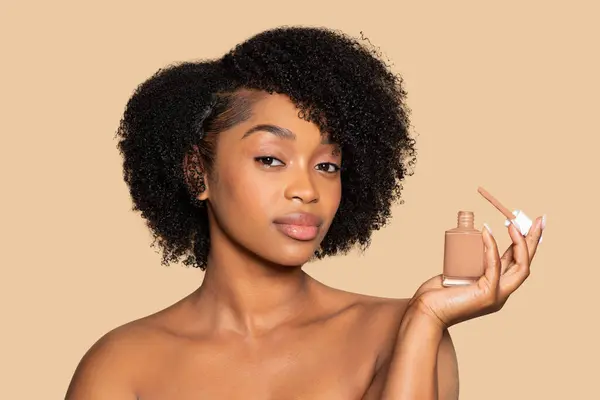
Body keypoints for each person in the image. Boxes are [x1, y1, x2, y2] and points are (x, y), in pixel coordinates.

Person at [65, 26, 545, 399]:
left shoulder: (405, 332)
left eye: (327, 165)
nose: (307, 190)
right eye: (271, 159)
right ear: (197, 173)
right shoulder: (121, 364)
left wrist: (425, 321)